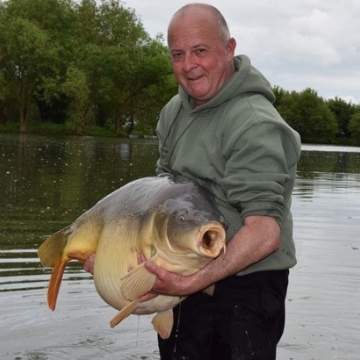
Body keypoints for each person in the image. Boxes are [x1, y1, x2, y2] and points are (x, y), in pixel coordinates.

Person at [141, 3, 302, 360]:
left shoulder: (254, 124)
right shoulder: (174, 111)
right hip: (188, 266)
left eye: (200, 51)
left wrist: (186, 283)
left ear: (229, 49)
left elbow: (264, 232)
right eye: (177, 54)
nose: (188, 65)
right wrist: (124, 258)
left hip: (248, 285)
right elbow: (162, 196)